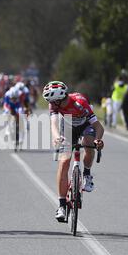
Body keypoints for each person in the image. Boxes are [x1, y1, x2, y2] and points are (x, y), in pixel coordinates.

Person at [42, 81, 104, 222]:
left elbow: (99, 127)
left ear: (58, 100)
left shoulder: (80, 103)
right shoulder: (54, 104)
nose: (50, 103)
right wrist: (57, 137)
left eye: (52, 101)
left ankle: (87, 174)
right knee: (64, 162)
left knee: (88, 143)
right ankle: (62, 206)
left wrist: (98, 140)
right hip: (68, 125)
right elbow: (54, 124)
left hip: (86, 125)